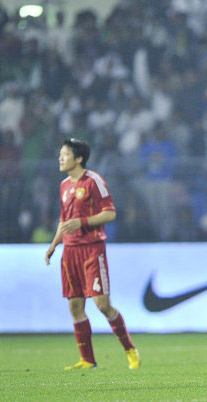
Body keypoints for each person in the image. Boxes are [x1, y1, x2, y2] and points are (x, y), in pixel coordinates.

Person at [45, 138, 140, 370]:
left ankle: (130, 350)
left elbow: (110, 213)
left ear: (79, 159)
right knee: (75, 306)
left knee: (102, 304)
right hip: (69, 252)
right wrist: (54, 244)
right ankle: (87, 359)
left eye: (65, 154)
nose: (61, 158)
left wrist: (82, 222)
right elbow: (64, 220)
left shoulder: (94, 181)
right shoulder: (64, 185)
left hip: (91, 250)